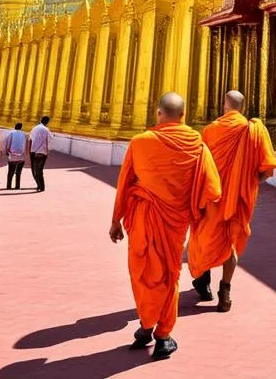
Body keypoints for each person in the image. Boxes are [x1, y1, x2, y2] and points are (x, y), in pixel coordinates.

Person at [110, 92, 221, 361]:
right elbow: (212, 189)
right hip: (175, 221)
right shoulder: (197, 143)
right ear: (183, 116)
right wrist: (195, 211)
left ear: (158, 113)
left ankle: (147, 325)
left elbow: (124, 183)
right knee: (170, 276)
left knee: (143, 273)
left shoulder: (140, 142)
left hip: (142, 218)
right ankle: (162, 334)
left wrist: (116, 220)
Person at [188, 90, 276, 310]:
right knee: (230, 244)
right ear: (242, 108)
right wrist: (248, 183)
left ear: (225, 106)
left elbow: (200, 168)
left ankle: (203, 282)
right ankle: (225, 289)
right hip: (238, 200)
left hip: (211, 199)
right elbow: (268, 168)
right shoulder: (254, 130)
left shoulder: (210, 131)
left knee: (202, 237)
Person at [29, 115, 52, 192]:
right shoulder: (46, 130)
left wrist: (29, 150)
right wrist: (48, 151)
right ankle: (41, 186)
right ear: (47, 122)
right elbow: (49, 140)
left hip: (33, 151)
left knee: (34, 169)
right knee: (39, 170)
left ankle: (39, 185)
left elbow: (30, 139)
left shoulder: (34, 128)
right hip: (41, 152)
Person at [3, 122, 27, 189]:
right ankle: (17, 186)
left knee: (10, 173)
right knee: (18, 173)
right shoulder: (24, 134)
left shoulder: (11, 133)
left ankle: (9, 186)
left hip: (12, 156)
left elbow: (8, 143)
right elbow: (26, 145)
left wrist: (7, 152)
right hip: (21, 157)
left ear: (15, 126)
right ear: (21, 127)